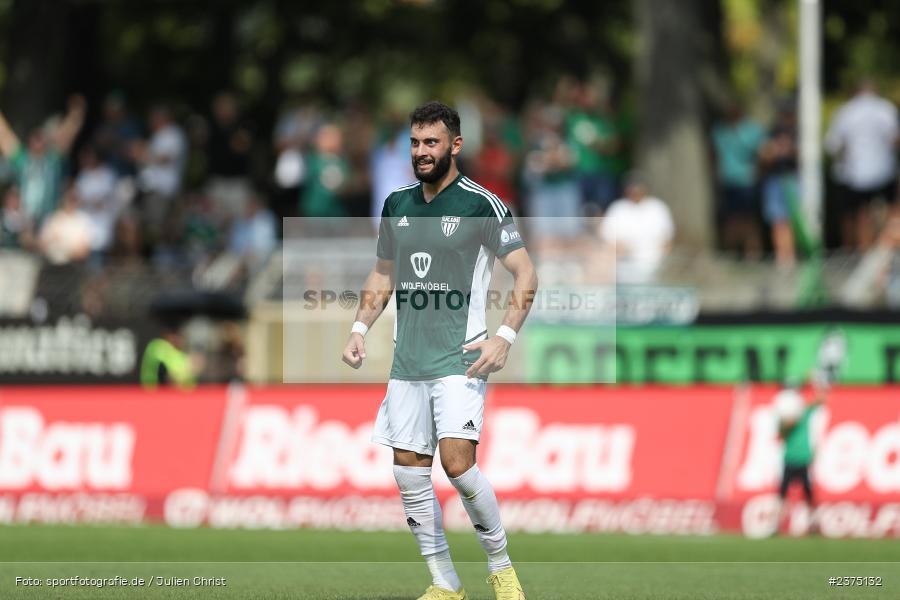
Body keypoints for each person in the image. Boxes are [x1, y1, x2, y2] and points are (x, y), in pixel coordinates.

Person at [342, 101, 537, 600]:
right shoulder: (398, 205)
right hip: (407, 363)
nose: (421, 152)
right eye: (414, 142)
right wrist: (360, 325)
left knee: (458, 466)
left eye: (431, 142)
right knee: (408, 474)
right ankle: (445, 584)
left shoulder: (481, 204)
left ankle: (501, 568)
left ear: (455, 145)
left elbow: (526, 273)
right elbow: (382, 273)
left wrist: (505, 337)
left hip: (460, 358)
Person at [825, 79, 899, 251]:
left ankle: (862, 253)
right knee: (888, 213)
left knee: (860, 215)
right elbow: (894, 139)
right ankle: (886, 251)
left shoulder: (845, 111)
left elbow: (833, 145)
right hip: (883, 170)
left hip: (855, 173)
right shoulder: (885, 108)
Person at [772, 378, 828, 536]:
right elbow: (780, 435)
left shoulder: (804, 411)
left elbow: (821, 399)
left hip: (804, 458)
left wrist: (815, 381)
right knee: (782, 494)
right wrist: (787, 423)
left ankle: (814, 525)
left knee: (809, 495)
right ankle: (776, 525)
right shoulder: (782, 417)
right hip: (790, 458)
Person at [600, 171, 674, 284]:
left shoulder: (657, 208)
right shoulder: (618, 209)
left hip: (654, 265)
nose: (635, 191)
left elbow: (667, 240)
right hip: (624, 265)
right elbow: (608, 240)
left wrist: (660, 260)